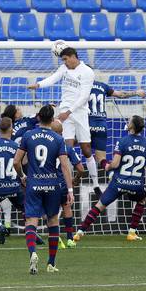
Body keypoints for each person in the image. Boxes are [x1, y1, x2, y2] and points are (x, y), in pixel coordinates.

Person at [74, 115, 146, 242]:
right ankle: (132, 233)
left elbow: (115, 164)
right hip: (136, 184)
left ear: (130, 126)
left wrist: (106, 165)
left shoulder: (122, 141)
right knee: (142, 200)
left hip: (119, 182)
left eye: (129, 121)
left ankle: (80, 232)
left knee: (100, 205)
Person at [27, 44, 99, 196]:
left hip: (79, 112)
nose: (65, 62)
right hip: (65, 111)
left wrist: (69, 112)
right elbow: (52, 79)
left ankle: (96, 184)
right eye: (63, 60)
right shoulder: (64, 69)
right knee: (66, 149)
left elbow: (84, 95)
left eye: (66, 59)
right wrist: (38, 85)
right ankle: (67, 183)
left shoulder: (87, 72)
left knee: (86, 149)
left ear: (74, 57)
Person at [14, 105, 74, 274]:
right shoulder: (57, 138)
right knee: (53, 221)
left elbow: (16, 161)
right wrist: (69, 190)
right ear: (53, 118)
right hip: (53, 185)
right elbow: (64, 165)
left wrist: (22, 177)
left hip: (34, 184)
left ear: (38, 117)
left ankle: (33, 252)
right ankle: (51, 263)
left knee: (31, 221)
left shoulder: (28, 135)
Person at [88, 80, 146, 180]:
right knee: (101, 158)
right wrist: (136, 92)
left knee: (69, 146)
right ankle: (110, 173)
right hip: (101, 126)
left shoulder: (81, 85)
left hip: (86, 123)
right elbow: (120, 95)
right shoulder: (102, 86)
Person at [51, 119, 84, 249]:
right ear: (62, 131)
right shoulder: (67, 148)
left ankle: (56, 237)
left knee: (50, 212)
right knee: (67, 208)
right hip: (64, 184)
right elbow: (81, 168)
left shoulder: (46, 145)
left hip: (48, 182)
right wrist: (75, 179)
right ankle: (70, 238)